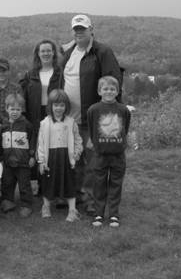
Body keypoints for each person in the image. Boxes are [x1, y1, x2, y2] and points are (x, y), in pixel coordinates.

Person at [61, 14, 122, 214]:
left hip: (92, 120)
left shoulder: (102, 52)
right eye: (76, 29)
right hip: (70, 119)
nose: (79, 32)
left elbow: (113, 84)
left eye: (82, 29)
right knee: (75, 159)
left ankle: (93, 201)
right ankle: (77, 196)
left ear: (91, 29)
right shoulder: (69, 53)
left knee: (93, 162)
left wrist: (109, 118)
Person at [20, 39, 64, 194]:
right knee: (35, 147)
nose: (46, 53)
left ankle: (52, 183)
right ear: (38, 54)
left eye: (48, 50)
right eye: (42, 51)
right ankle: (35, 185)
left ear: (53, 53)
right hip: (34, 113)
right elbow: (23, 96)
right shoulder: (30, 74)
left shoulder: (60, 73)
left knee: (53, 147)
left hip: (54, 112)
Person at [87, 76, 131, 228]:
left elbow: (126, 128)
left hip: (118, 154)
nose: (109, 91)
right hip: (100, 154)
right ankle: (98, 213)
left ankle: (113, 214)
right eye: (105, 89)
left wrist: (119, 143)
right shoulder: (93, 110)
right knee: (99, 184)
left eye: (112, 89)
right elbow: (92, 129)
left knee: (115, 184)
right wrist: (97, 144)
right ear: (99, 91)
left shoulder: (123, 110)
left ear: (117, 91)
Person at [37, 89, 83, 221]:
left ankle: (73, 210)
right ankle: (46, 207)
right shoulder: (44, 123)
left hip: (66, 158)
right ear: (50, 106)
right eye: (56, 105)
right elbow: (41, 143)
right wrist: (41, 161)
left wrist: (76, 153)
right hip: (50, 157)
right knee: (48, 182)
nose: (59, 108)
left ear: (66, 106)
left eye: (62, 105)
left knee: (69, 182)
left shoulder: (71, 122)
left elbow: (78, 140)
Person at [0, 93, 35, 217]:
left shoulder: (27, 125)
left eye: (18, 109)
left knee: (24, 184)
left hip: (23, 161)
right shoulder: (4, 126)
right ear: (7, 109)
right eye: (12, 109)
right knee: (7, 182)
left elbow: (32, 140)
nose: (15, 112)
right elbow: (0, 142)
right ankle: (7, 201)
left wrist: (32, 156)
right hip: (8, 161)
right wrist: (0, 157)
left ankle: (26, 204)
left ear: (22, 110)